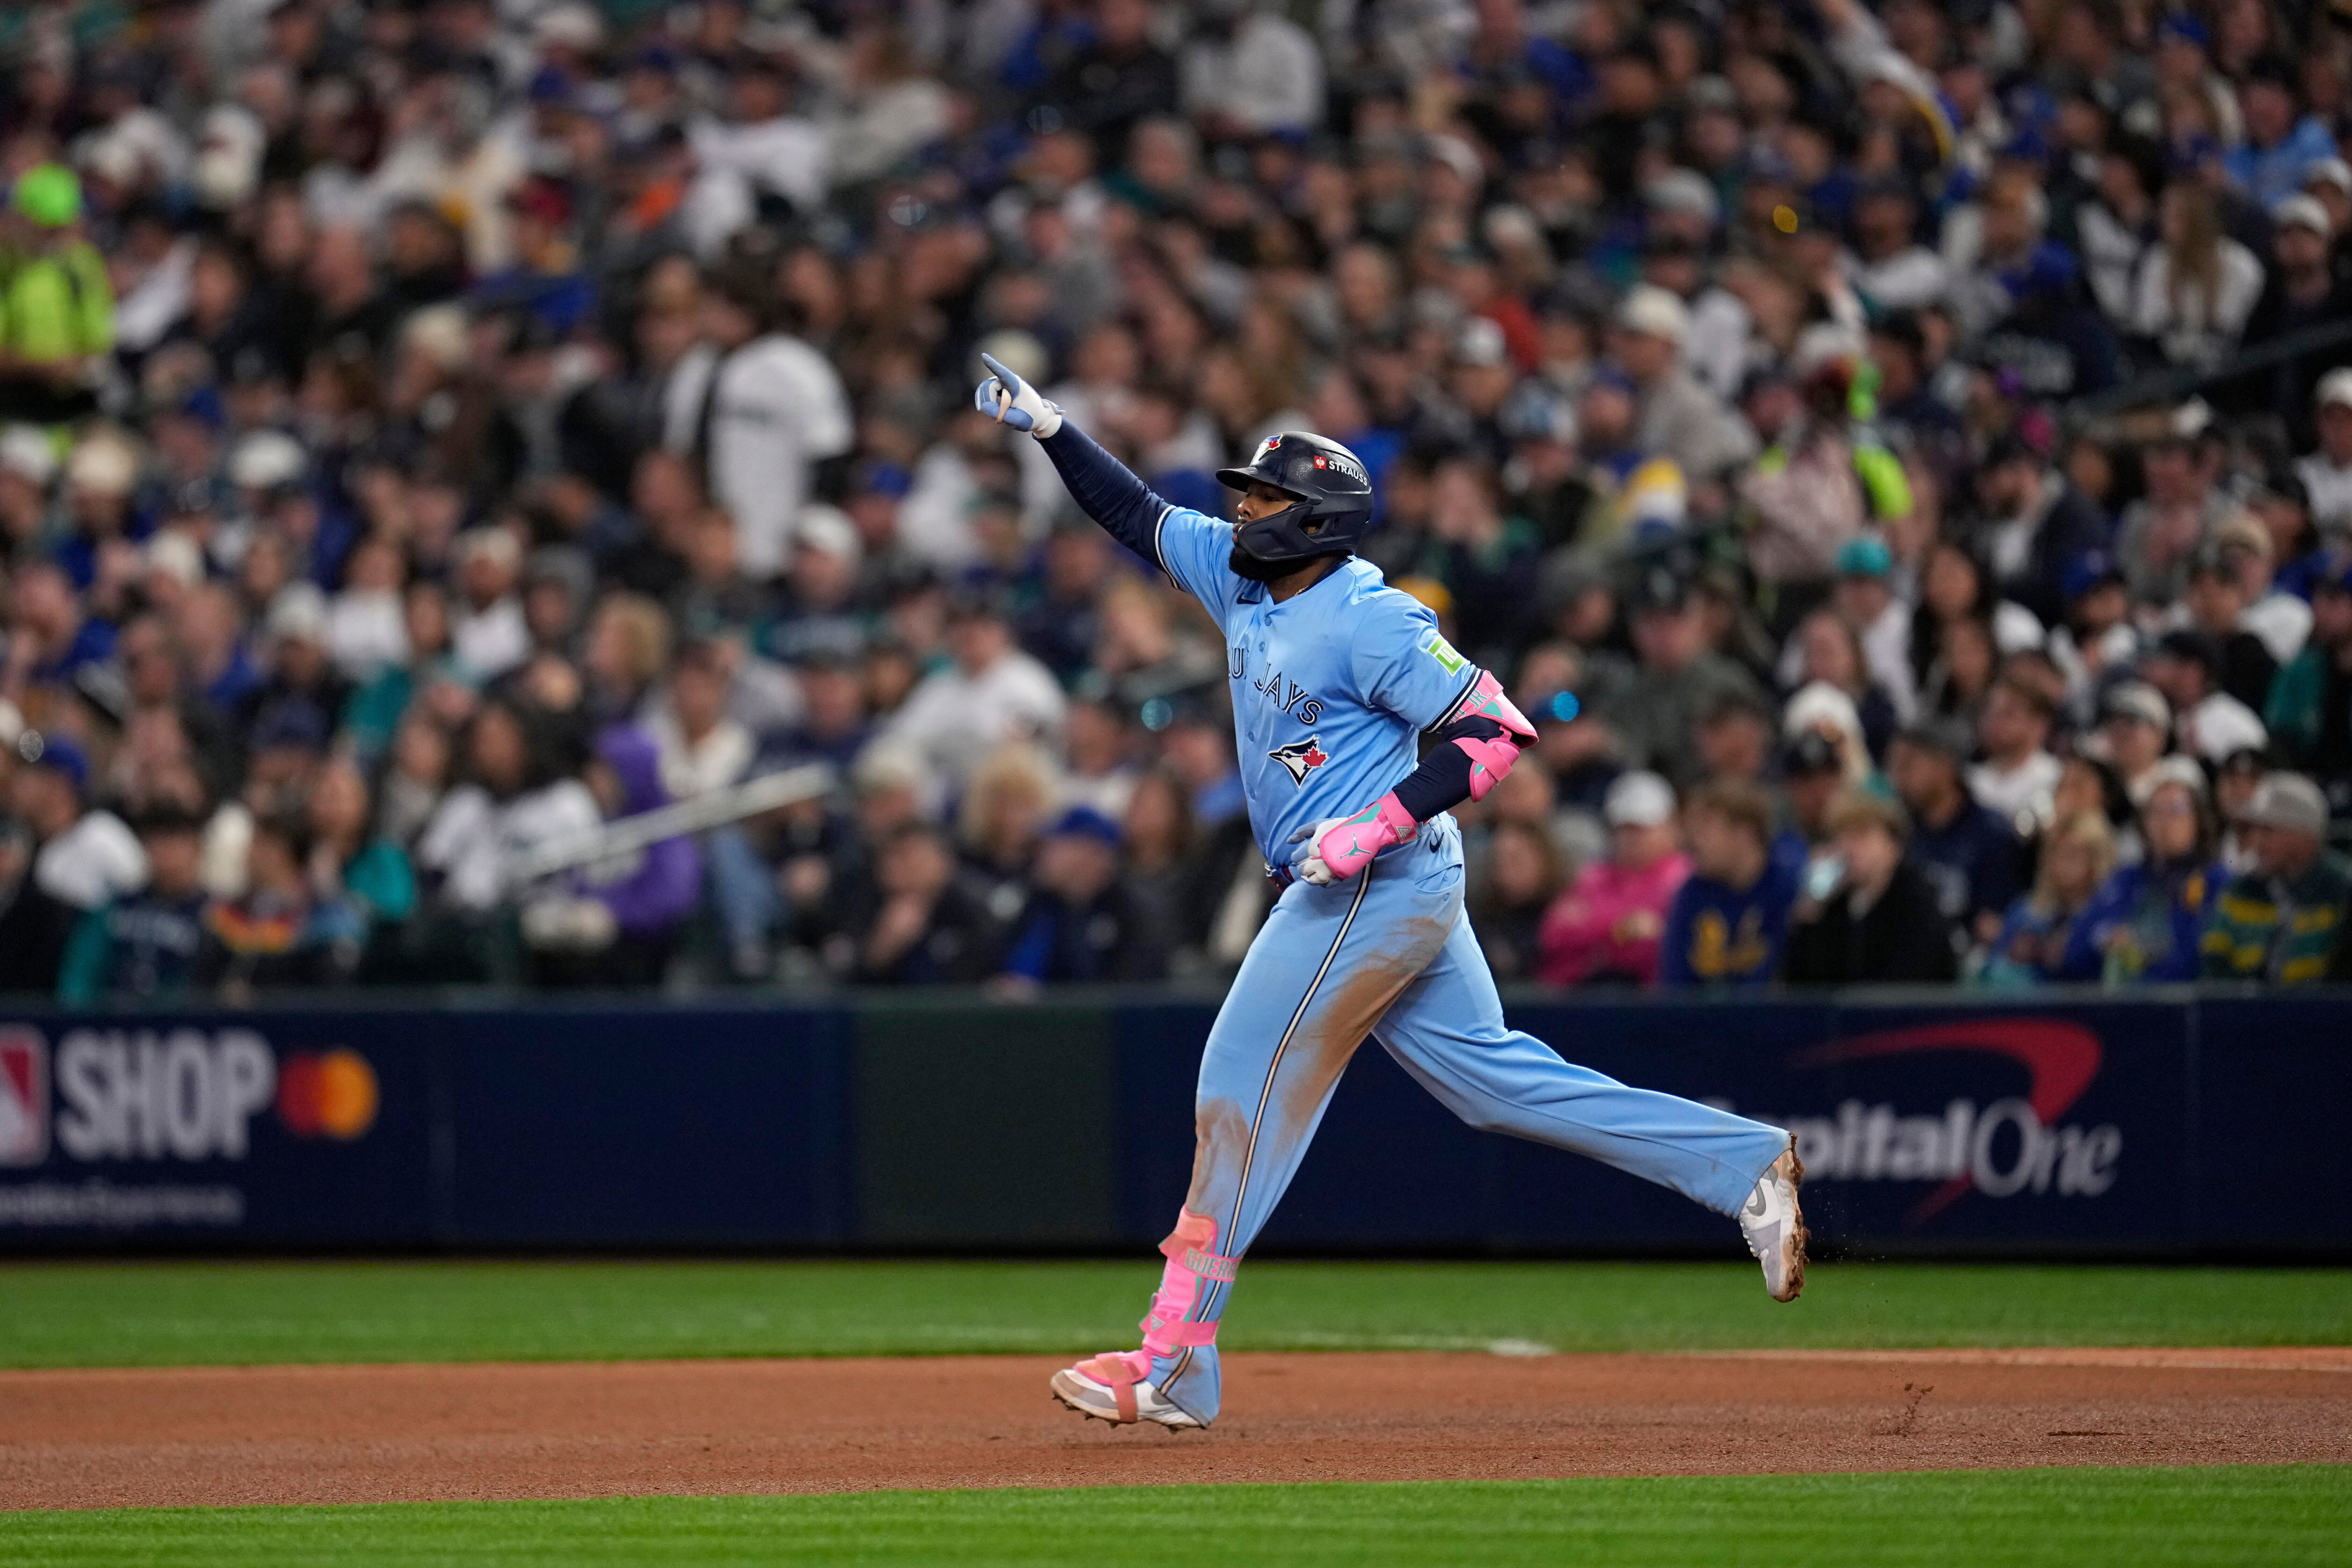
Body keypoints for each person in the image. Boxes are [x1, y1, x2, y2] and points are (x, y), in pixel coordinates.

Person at [976, 353, 1805, 1434]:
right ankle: (1742, 1160)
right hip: (1377, 877)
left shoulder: (1368, 614)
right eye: (1243, 491)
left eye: (1263, 496)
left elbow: (1498, 728)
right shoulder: (1239, 574)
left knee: (1237, 1081)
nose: (1240, 507)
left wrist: (1378, 818)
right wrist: (1048, 426)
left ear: (1313, 520)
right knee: (1493, 1084)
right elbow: (1135, 513)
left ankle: (1175, 1357)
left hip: (1377, 880)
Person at [2059, 758, 2226, 984]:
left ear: (2198, 819)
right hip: (2114, 1004)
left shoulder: (2217, 881)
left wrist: (2145, 948)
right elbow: (2075, 950)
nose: (2164, 821)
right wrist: (2105, 939)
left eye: (2176, 810)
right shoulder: (2125, 879)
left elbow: (2201, 958)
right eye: (2154, 811)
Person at [1782, 789, 1959, 984]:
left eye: (1860, 836)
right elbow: (1804, 985)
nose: (1847, 848)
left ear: (1894, 846)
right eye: (1841, 837)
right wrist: (1809, 920)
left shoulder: (1919, 904)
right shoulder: (1835, 905)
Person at [1534, 770, 1690, 987]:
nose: (1630, 838)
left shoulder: (1684, 877)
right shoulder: (1593, 877)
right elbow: (1555, 934)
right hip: (1583, 998)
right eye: (1623, 828)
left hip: (1655, 1001)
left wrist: (1596, 934)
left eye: (1641, 829)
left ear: (1670, 827)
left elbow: (1665, 946)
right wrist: (1622, 928)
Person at [2202, 772, 2352, 982]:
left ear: (2306, 835)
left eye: (2269, 830)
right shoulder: (2238, 892)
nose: (2257, 841)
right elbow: (2213, 971)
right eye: (2253, 830)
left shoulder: (2342, 891)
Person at [1886, 718, 2020, 948]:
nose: (1898, 778)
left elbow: (1994, 923)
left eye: (1908, 765)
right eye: (1894, 766)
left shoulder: (1991, 834)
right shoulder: (1898, 832)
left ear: (1946, 765)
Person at [1660, 778, 1801, 989]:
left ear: (1745, 833)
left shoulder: (1787, 891)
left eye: (1705, 828)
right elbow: (1674, 985)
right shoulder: (1691, 895)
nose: (1693, 842)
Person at [1982, 811, 2117, 986]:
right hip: (2030, 1007)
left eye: (2074, 854)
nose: (2063, 863)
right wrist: (2016, 953)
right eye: (2056, 852)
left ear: (2098, 859)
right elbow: (1992, 969)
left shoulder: (2112, 915)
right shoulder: (2026, 914)